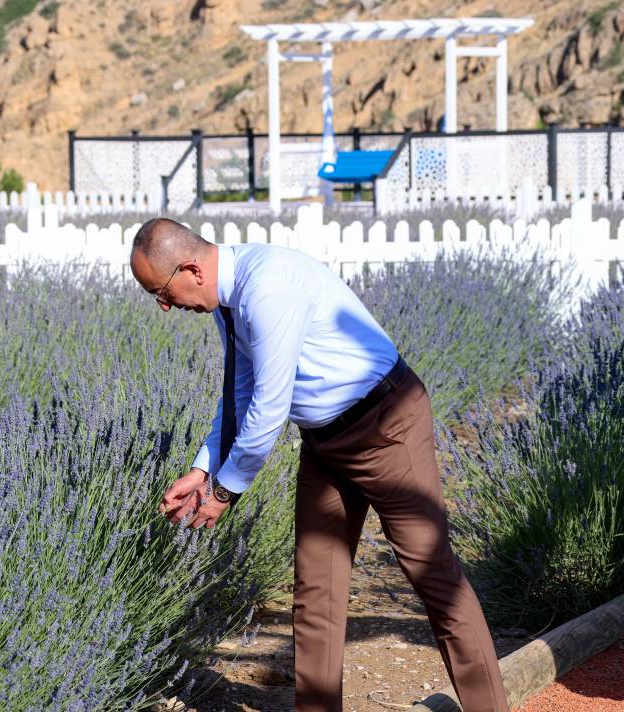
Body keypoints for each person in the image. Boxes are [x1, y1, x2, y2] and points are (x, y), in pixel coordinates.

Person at [130, 218, 510, 712]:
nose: (165, 306)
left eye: (161, 291)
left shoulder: (266, 288)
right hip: (324, 440)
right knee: (316, 592)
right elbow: (239, 394)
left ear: (192, 268)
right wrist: (204, 469)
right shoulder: (229, 301)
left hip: (385, 424)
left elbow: (268, 407)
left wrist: (224, 492)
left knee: (433, 576)